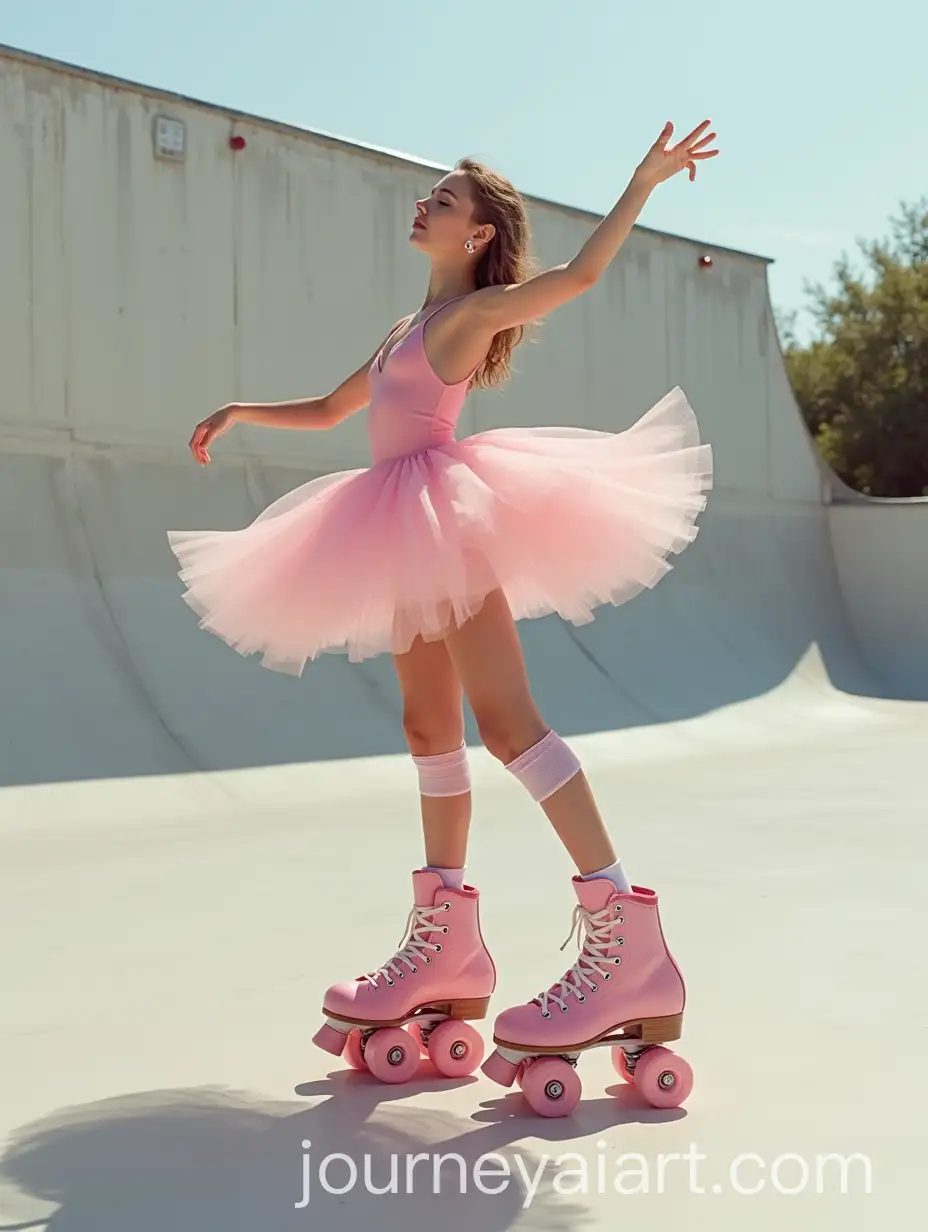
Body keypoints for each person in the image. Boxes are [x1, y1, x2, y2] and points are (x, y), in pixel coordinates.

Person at [168, 120, 717, 1108]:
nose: (425, 202)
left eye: (445, 199)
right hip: (395, 525)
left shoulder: (468, 317)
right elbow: (340, 409)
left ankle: (625, 930)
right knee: (429, 725)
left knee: (509, 724)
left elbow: (579, 279)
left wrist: (638, 183)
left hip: (445, 526)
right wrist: (244, 409)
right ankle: (447, 943)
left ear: (473, 236)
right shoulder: (402, 329)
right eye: (429, 194)